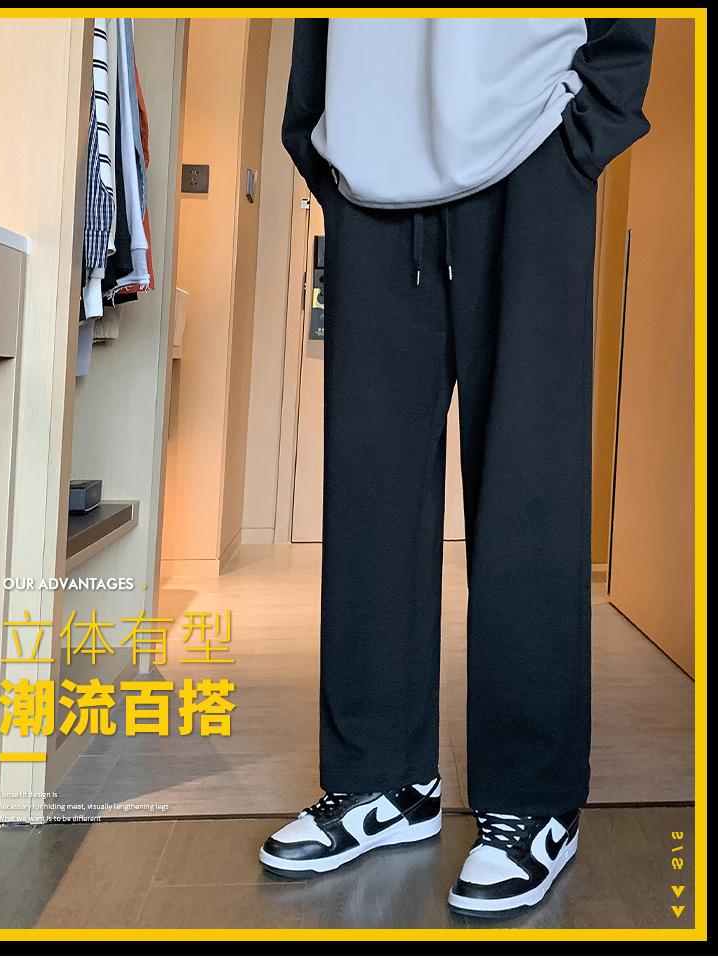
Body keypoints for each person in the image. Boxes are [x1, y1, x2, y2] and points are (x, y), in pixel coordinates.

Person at [259, 17, 655, 916]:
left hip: (533, 143)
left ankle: (531, 797)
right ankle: (383, 780)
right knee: (370, 493)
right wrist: (316, 128)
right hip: (371, 163)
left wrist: (592, 122)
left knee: (527, 487)